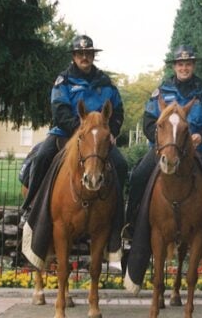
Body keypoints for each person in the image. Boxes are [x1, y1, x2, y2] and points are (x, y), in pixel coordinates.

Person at [21, 35, 128, 217]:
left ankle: (119, 212)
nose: (84, 57)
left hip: (98, 137)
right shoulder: (63, 81)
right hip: (64, 133)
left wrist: (113, 131)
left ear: (93, 56)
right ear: (74, 56)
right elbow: (59, 110)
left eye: (88, 53)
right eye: (80, 53)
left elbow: (117, 110)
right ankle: (30, 207)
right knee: (41, 158)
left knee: (121, 164)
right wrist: (78, 130)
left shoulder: (106, 82)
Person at [125, 45, 202, 234]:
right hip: (165, 148)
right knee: (138, 176)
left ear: (193, 66)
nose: (184, 68)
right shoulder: (161, 91)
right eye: (180, 64)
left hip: (201, 148)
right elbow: (148, 122)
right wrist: (162, 142)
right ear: (175, 67)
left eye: (188, 64)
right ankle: (131, 222)